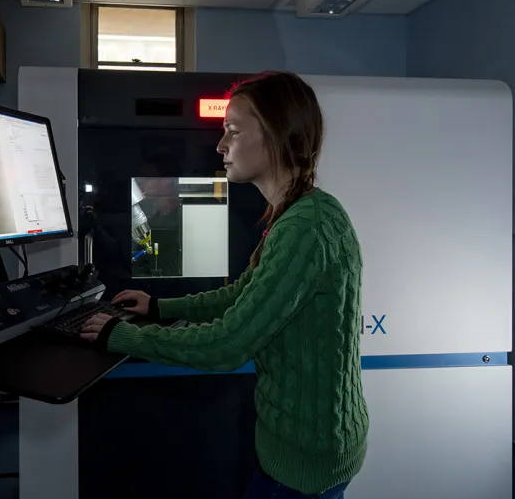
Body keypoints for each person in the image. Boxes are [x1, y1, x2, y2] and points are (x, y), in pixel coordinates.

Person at [80, 70, 369, 499]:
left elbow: (227, 345)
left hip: (304, 459)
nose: (220, 146)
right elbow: (243, 296)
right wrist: (160, 308)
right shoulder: (304, 213)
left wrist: (122, 336)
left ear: (275, 134)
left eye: (233, 130)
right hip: (312, 443)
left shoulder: (305, 227)